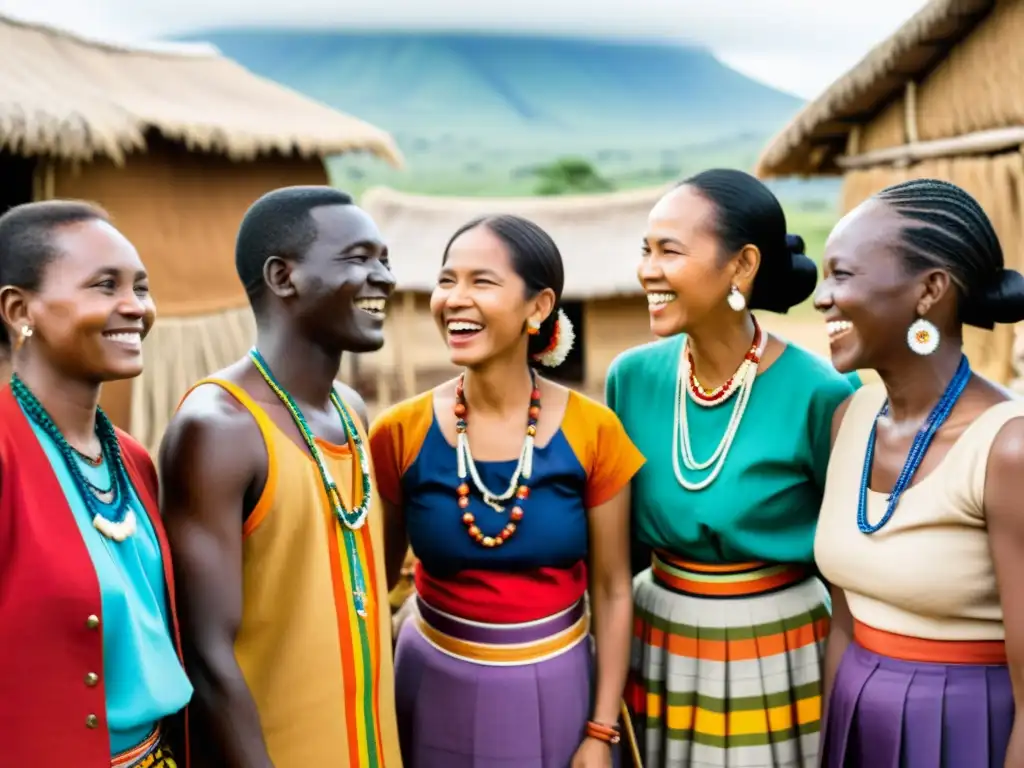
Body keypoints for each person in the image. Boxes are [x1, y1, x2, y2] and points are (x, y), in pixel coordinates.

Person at [370, 214, 643, 768]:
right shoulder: (399, 432)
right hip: (431, 680)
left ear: (538, 307)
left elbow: (614, 591)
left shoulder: (596, 433)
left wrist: (600, 730)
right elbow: (377, 584)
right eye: (447, 281)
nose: (455, 299)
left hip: (559, 685)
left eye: (482, 282)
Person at [606, 169, 858, 768]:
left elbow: (847, 572)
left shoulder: (821, 393)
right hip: (656, 639)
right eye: (646, 249)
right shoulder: (632, 379)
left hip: (779, 649)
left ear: (741, 266)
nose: (648, 269)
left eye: (670, 250)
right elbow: (618, 553)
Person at [159, 186, 401, 768]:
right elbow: (207, 653)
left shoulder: (351, 409)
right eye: (359, 258)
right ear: (283, 276)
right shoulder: (220, 427)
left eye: (384, 259)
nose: (385, 278)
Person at [813, 178, 1024, 768]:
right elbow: (845, 625)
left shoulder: (1007, 448)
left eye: (843, 275)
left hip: (968, 730)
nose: (822, 298)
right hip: (857, 720)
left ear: (929, 290)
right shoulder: (850, 419)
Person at [0, 200, 191, 766]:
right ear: (18, 310)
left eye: (142, 287)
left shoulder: (131, 459)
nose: (135, 307)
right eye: (105, 286)